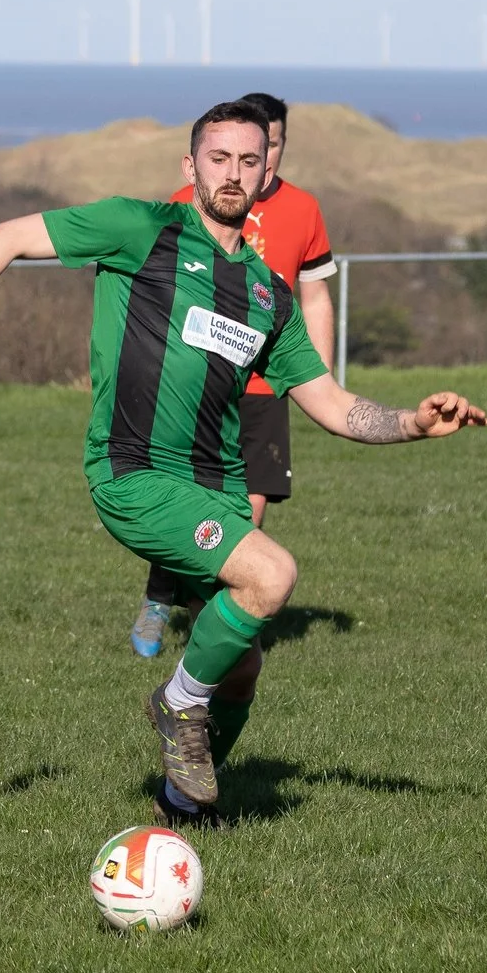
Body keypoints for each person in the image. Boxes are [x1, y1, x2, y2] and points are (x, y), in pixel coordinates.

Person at [0, 100, 487, 826]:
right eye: (218, 159)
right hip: (134, 472)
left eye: (248, 161)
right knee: (273, 576)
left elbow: (330, 403)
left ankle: (183, 805)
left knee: (243, 668)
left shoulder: (269, 295)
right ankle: (176, 702)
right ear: (190, 167)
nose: (233, 174)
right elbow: (2, 236)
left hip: (220, 488)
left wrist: (414, 425)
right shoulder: (143, 229)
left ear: (270, 173)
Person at [130, 92, 337, 659]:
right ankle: (159, 596)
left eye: (270, 147)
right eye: (243, 151)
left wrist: (316, 378)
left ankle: (217, 618)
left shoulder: (304, 209)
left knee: (252, 505)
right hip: (199, 387)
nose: (258, 160)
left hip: (265, 388)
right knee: (183, 497)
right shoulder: (184, 206)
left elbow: (314, 297)